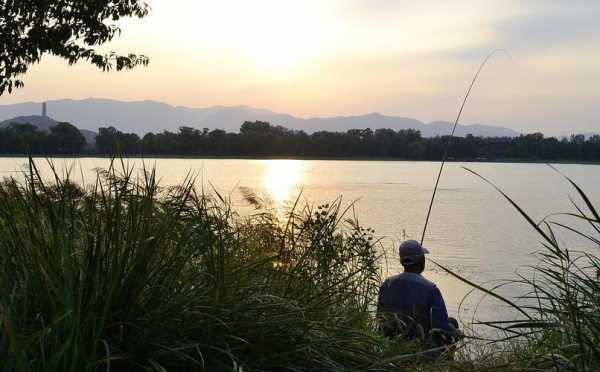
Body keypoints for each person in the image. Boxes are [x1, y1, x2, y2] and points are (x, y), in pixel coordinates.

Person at [377, 240, 460, 358]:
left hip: (391, 346)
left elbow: (380, 317)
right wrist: (456, 332)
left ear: (402, 262)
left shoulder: (387, 284)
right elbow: (441, 325)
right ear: (422, 261)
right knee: (453, 323)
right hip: (422, 350)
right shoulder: (430, 289)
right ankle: (445, 365)